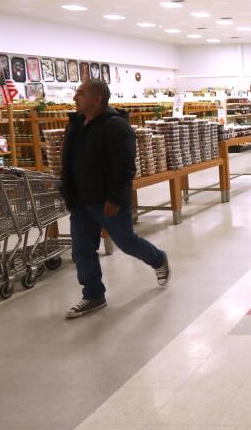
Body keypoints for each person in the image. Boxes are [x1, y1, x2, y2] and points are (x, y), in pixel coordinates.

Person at [61, 80, 170, 319]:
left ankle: (158, 258)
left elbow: (124, 168)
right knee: (82, 250)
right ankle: (93, 295)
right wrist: (67, 193)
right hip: (80, 201)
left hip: (107, 201)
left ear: (97, 99)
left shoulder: (116, 126)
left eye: (80, 94)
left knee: (126, 242)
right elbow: (67, 163)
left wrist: (115, 198)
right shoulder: (75, 125)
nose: (75, 98)